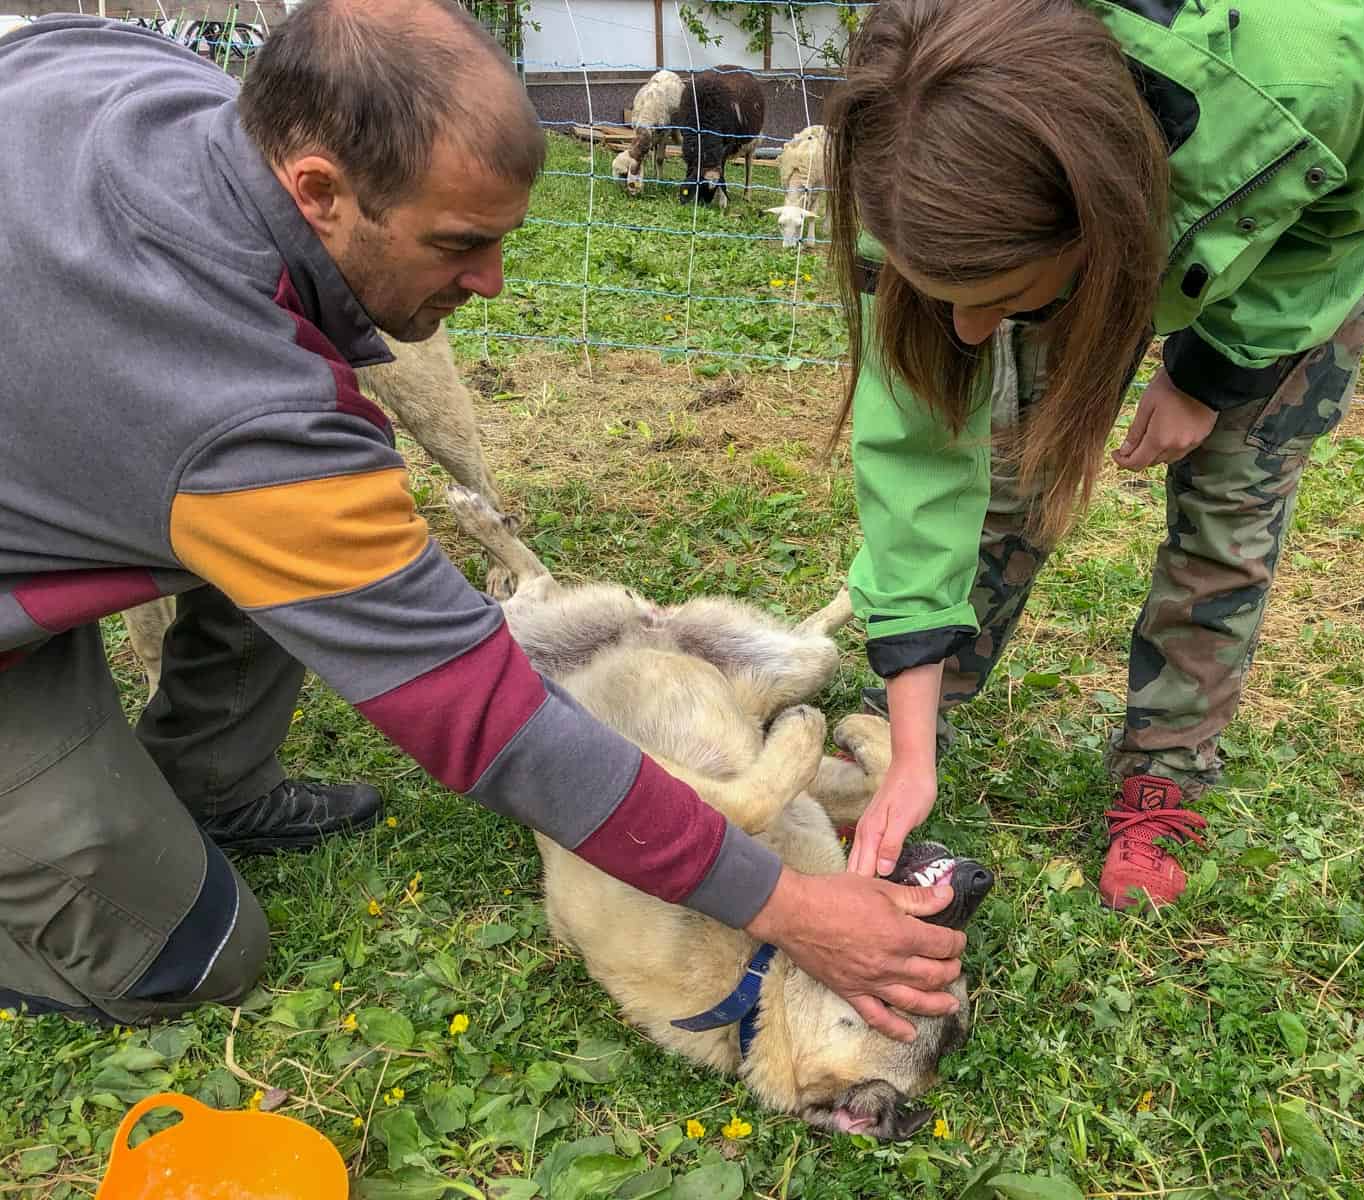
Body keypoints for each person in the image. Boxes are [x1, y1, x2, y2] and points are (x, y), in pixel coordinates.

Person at [0, 0, 962, 1038]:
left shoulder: (127, 76)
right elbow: (491, 721)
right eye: (460, 244)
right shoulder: (239, 415)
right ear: (316, 188)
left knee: (272, 543)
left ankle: (211, 781)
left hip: (62, 457)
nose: (491, 285)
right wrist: (791, 906)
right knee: (182, 953)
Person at [829, 0, 1364, 908]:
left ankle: (1165, 769)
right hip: (1058, 200)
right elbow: (919, 446)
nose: (967, 330)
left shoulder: (1320, 67)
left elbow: (1353, 217)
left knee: (1233, 499)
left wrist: (1213, 373)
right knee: (1009, 469)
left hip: (1306, 232)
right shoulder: (919, 109)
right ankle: (902, 729)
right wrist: (908, 753)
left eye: (994, 294)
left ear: (1097, 223)